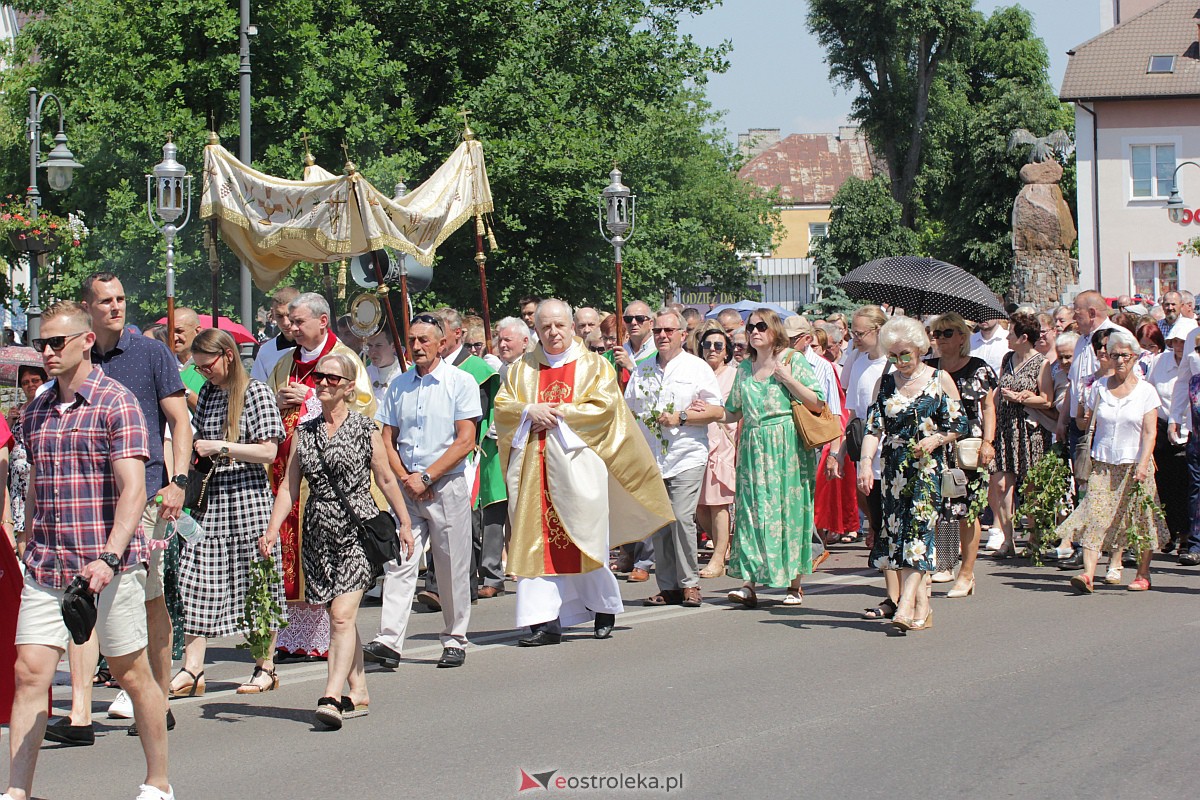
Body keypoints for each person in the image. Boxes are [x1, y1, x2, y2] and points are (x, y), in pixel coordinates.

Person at [7, 301, 172, 800]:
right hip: (47, 565)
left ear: (84, 341)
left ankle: (158, 781)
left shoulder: (115, 402)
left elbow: (134, 491)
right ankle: (17, 792)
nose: (47, 353)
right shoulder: (33, 410)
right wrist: (26, 535)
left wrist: (110, 556)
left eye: (57, 343)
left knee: (130, 672)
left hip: (107, 566)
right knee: (29, 672)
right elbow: (38, 480)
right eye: (41, 345)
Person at [48, 274, 192, 745]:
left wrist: (178, 481)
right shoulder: (78, 359)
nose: (116, 307)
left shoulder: (151, 354)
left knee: (150, 599)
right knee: (80, 595)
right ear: (87, 310)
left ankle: (158, 699)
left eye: (121, 299)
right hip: (87, 500)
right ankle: (82, 714)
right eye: (106, 301)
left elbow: (180, 421)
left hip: (145, 497)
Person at [495, 299, 673, 646]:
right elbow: (503, 406)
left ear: (572, 326)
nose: (553, 332)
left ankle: (602, 606)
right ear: (536, 330)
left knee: (586, 539)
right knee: (536, 544)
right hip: (534, 470)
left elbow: (605, 408)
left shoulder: (594, 366)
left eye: (559, 325)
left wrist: (558, 412)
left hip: (577, 467)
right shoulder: (521, 370)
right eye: (545, 327)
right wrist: (529, 409)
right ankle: (543, 621)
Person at [265, 352, 414, 728]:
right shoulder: (304, 431)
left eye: (334, 378)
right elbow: (289, 487)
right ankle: (359, 688)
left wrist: (406, 524)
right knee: (339, 617)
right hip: (318, 533)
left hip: (356, 531)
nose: (325, 382)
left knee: (342, 617)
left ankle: (331, 695)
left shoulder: (365, 429)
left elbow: (384, 479)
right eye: (321, 376)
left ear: (349, 388)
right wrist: (271, 530)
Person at [365, 313, 480, 669]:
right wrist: (407, 479)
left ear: (442, 343)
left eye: (424, 340)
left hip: (445, 485)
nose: (416, 346)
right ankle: (389, 641)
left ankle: (455, 638)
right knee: (401, 561)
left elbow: (465, 441)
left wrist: (427, 477)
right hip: (408, 489)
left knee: (450, 565)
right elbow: (387, 439)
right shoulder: (399, 385)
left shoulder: (460, 382)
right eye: (412, 340)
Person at [175, 329, 286, 695]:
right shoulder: (207, 393)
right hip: (212, 498)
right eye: (199, 368)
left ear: (227, 355)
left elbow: (269, 452)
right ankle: (193, 668)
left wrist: (223, 447)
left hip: (247, 497)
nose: (204, 373)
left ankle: (265, 665)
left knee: (256, 580)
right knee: (195, 577)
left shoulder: (255, 391)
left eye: (208, 366)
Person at [268, 293, 375, 660]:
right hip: (289, 463)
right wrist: (277, 403)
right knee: (290, 549)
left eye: (298, 322)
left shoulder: (345, 360)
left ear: (323, 321)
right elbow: (266, 404)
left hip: (331, 478)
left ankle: (329, 639)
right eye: (288, 321)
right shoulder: (285, 362)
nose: (290, 327)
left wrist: (313, 400)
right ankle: (293, 637)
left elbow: (363, 409)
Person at [857, 315, 967, 631]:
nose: (899, 361)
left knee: (919, 535)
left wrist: (936, 438)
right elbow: (872, 428)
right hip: (893, 471)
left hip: (928, 470)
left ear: (919, 349)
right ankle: (923, 607)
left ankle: (904, 604)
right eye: (892, 355)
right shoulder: (886, 382)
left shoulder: (940, 378)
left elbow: (959, 424)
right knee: (899, 538)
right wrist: (866, 463)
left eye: (904, 354)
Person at [717, 309, 826, 608]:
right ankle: (749, 583)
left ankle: (794, 585)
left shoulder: (793, 360)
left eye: (761, 326)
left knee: (787, 512)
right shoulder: (743, 368)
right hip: (753, 444)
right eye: (751, 326)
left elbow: (817, 401)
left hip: (786, 444)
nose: (754, 331)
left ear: (774, 329)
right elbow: (733, 410)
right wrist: (703, 412)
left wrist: (788, 379)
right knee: (752, 511)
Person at [624, 309, 723, 607]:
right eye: (658, 331)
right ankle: (668, 587)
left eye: (669, 331)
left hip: (686, 455)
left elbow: (717, 411)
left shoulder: (696, 368)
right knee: (660, 523)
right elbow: (628, 409)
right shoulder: (642, 370)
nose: (663, 336)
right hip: (651, 458)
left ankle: (690, 583)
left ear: (682, 334)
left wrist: (681, 416)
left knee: (680, 517)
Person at [1058, 329, 1166, 593]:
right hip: (1103, 463)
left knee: (1140, 519)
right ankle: (1088, 575)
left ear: (1134, 358)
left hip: (1134, 464)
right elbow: (1088, 421)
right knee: (1096, 516)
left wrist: (1143, 464)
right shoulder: (1100, 388)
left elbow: (1151, 432)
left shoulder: (1146, 392)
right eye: (1114, 355)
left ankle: (1142, 573)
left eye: (1124, 356)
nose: (1119, 360)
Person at [828, 306, 895, 616]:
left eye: (860, 333)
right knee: (881, 526)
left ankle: (908, 594)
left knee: (900, 528)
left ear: (880, 331)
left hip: (898, 455)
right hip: (869, 457)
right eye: (851, 332)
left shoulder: (896, 365)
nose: (854, 338)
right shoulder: (858, 364)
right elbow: (853, 416)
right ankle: (892, 596)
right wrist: (839, 453)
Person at [927, 313, 997, 597]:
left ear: (961, 337)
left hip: (968, 446)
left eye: (945, 333)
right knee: (938, 509)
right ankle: (944, 564)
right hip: (936, 443)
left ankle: (966, 573)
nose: (940, 339)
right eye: (936, 334)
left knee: (968, 511)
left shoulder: (977, 368)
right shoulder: (928, 368)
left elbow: (989, 408)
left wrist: (988, 442)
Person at [788, 316, 854, 549]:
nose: (788, 343)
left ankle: (812, 547)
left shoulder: (822, 366)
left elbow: (834, 411)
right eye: (785, 338)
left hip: (812, 440)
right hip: (784, 438)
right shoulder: (779, 362)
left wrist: (834, 454)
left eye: (793, 338)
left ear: (806, 339)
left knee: (807, 495)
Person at [989, 311, 1051, 559]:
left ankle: (1035, 538)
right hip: (1005, 428)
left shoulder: (1041, 363)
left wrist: (1023, 397)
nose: (1006, 336)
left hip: (1028, 431)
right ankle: (1007, 538)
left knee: (1030, 487)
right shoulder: (1007, 358)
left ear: (1024, 337)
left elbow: (1046, 400)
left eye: (1011, 333)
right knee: (1002, 484)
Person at [611, 300, 658, 580]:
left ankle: (646, 558)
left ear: (650, 322)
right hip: (620, 429)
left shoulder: (657, 352)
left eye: (640, 318)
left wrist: (633, 367)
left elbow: (657, 390)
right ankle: (628, 550)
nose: (634, 323)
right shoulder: (618, 351)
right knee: (624, 494)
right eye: (628, 319)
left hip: (648, 431)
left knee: (644, 495)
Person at [1146, 319, 1195, 553]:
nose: (1178, 345)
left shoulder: (1193, 358)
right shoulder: (1160, 361)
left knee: (1189, 486)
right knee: (1166, 485)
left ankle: (1188, 535)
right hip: (1166, 429)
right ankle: (1172, 531)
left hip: (1192, 428)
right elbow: (1152, 391)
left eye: (1182, 341)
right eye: (1175, 340)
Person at [695, 325, 737, 578]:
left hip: (723, 443)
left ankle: (718, 558)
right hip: (697, 442)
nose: (712, 349)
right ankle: (724, 545)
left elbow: (736, 409)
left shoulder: (733, 375)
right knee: (700, 506)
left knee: (718, 503)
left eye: (718, 346)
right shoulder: (696, 371)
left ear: (726, 352)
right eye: (707, 345)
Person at [4, 366, 46, 558]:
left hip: (38, 472)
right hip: (17, 477)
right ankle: (26, 562)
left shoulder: (47, 407)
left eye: (35, 380)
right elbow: (6, 441)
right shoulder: (18, 409)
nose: (30, 385)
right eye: (25, 382)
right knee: (20, 519)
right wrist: (10, 421)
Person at [251, 287, 299, 382]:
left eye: (289, 315)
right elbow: (258, 386)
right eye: (279, 316)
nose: (285, 322)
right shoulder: (266, 351)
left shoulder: (317, 345)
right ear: (272, 313)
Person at [365, 328, 402, 408]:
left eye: (378, 346)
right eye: (370, 346)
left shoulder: (405, 373)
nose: (372, 351)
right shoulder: (364, 374)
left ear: (393, 346)